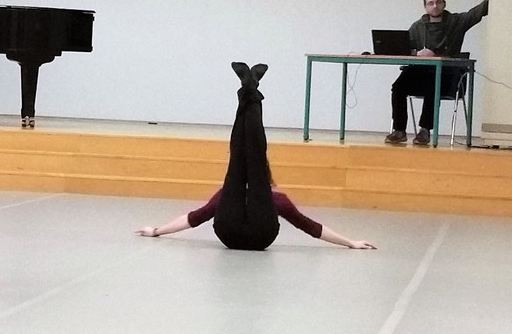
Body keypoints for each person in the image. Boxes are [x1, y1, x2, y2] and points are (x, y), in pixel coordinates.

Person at [135, 62, 375, 250]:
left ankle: (248, 92)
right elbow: (309, 226)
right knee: (251, 157)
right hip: (261, 234)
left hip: (229, 232)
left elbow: (195, 218)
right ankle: (251, 92)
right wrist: (350, 243)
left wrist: (157, 231)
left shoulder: (230, 196)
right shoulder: (275, 199)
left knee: (236, 161)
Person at [385, 0, 489, 146]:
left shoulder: (456, 22)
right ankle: (399, 130)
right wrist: (417, 54)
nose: (435, 6)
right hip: (420, 72)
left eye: (438, 2)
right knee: (398, 86)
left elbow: (477, 12)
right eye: (431, 3)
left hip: (447, 75)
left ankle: (425, 130)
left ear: (444, 4)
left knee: (432, 82)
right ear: (425, 6)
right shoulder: (417, 27)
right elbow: (404, 49)